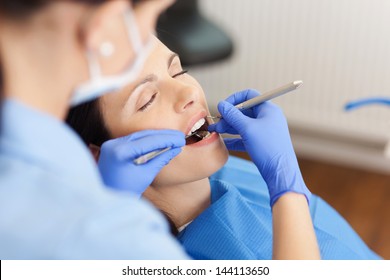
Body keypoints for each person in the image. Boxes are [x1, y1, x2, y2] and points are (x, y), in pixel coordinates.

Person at [66, 36, 382, 260]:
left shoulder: (236, 173)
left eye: (177, 70)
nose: (187, 91)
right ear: (98, 154)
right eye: (147, 99)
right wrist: (288, 189)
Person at [0, 0, 192, 259]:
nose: (189, 92)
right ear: (105, 25)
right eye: (153, 16)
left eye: (179, 72)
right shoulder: (109, 238)